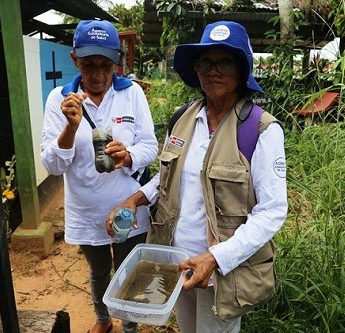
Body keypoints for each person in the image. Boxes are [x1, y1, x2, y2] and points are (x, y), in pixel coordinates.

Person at [106, 21, 288, 332]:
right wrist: (136, 198)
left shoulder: (261, 130)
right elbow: (168, 177)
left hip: (223, 269)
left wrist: (215, 258)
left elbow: (272, 211)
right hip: (175, 259)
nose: (212, 70)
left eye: (224, 61)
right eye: (205, 61)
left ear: (242, 68)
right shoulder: (184, 118)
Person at [41, 20, 158, 333]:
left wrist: (130, 154)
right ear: (75, 60)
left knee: (129, 270)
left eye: (105, 65)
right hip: (86, 209)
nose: (97, 75)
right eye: (88, 64)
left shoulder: (131, 93)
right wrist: (69, 127)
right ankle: (104, 320)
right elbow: (53, 166)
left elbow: (150, 145)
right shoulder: (59, 100)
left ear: (116, 62)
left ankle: (129, 327)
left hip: (127, 206)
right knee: (98, 271)